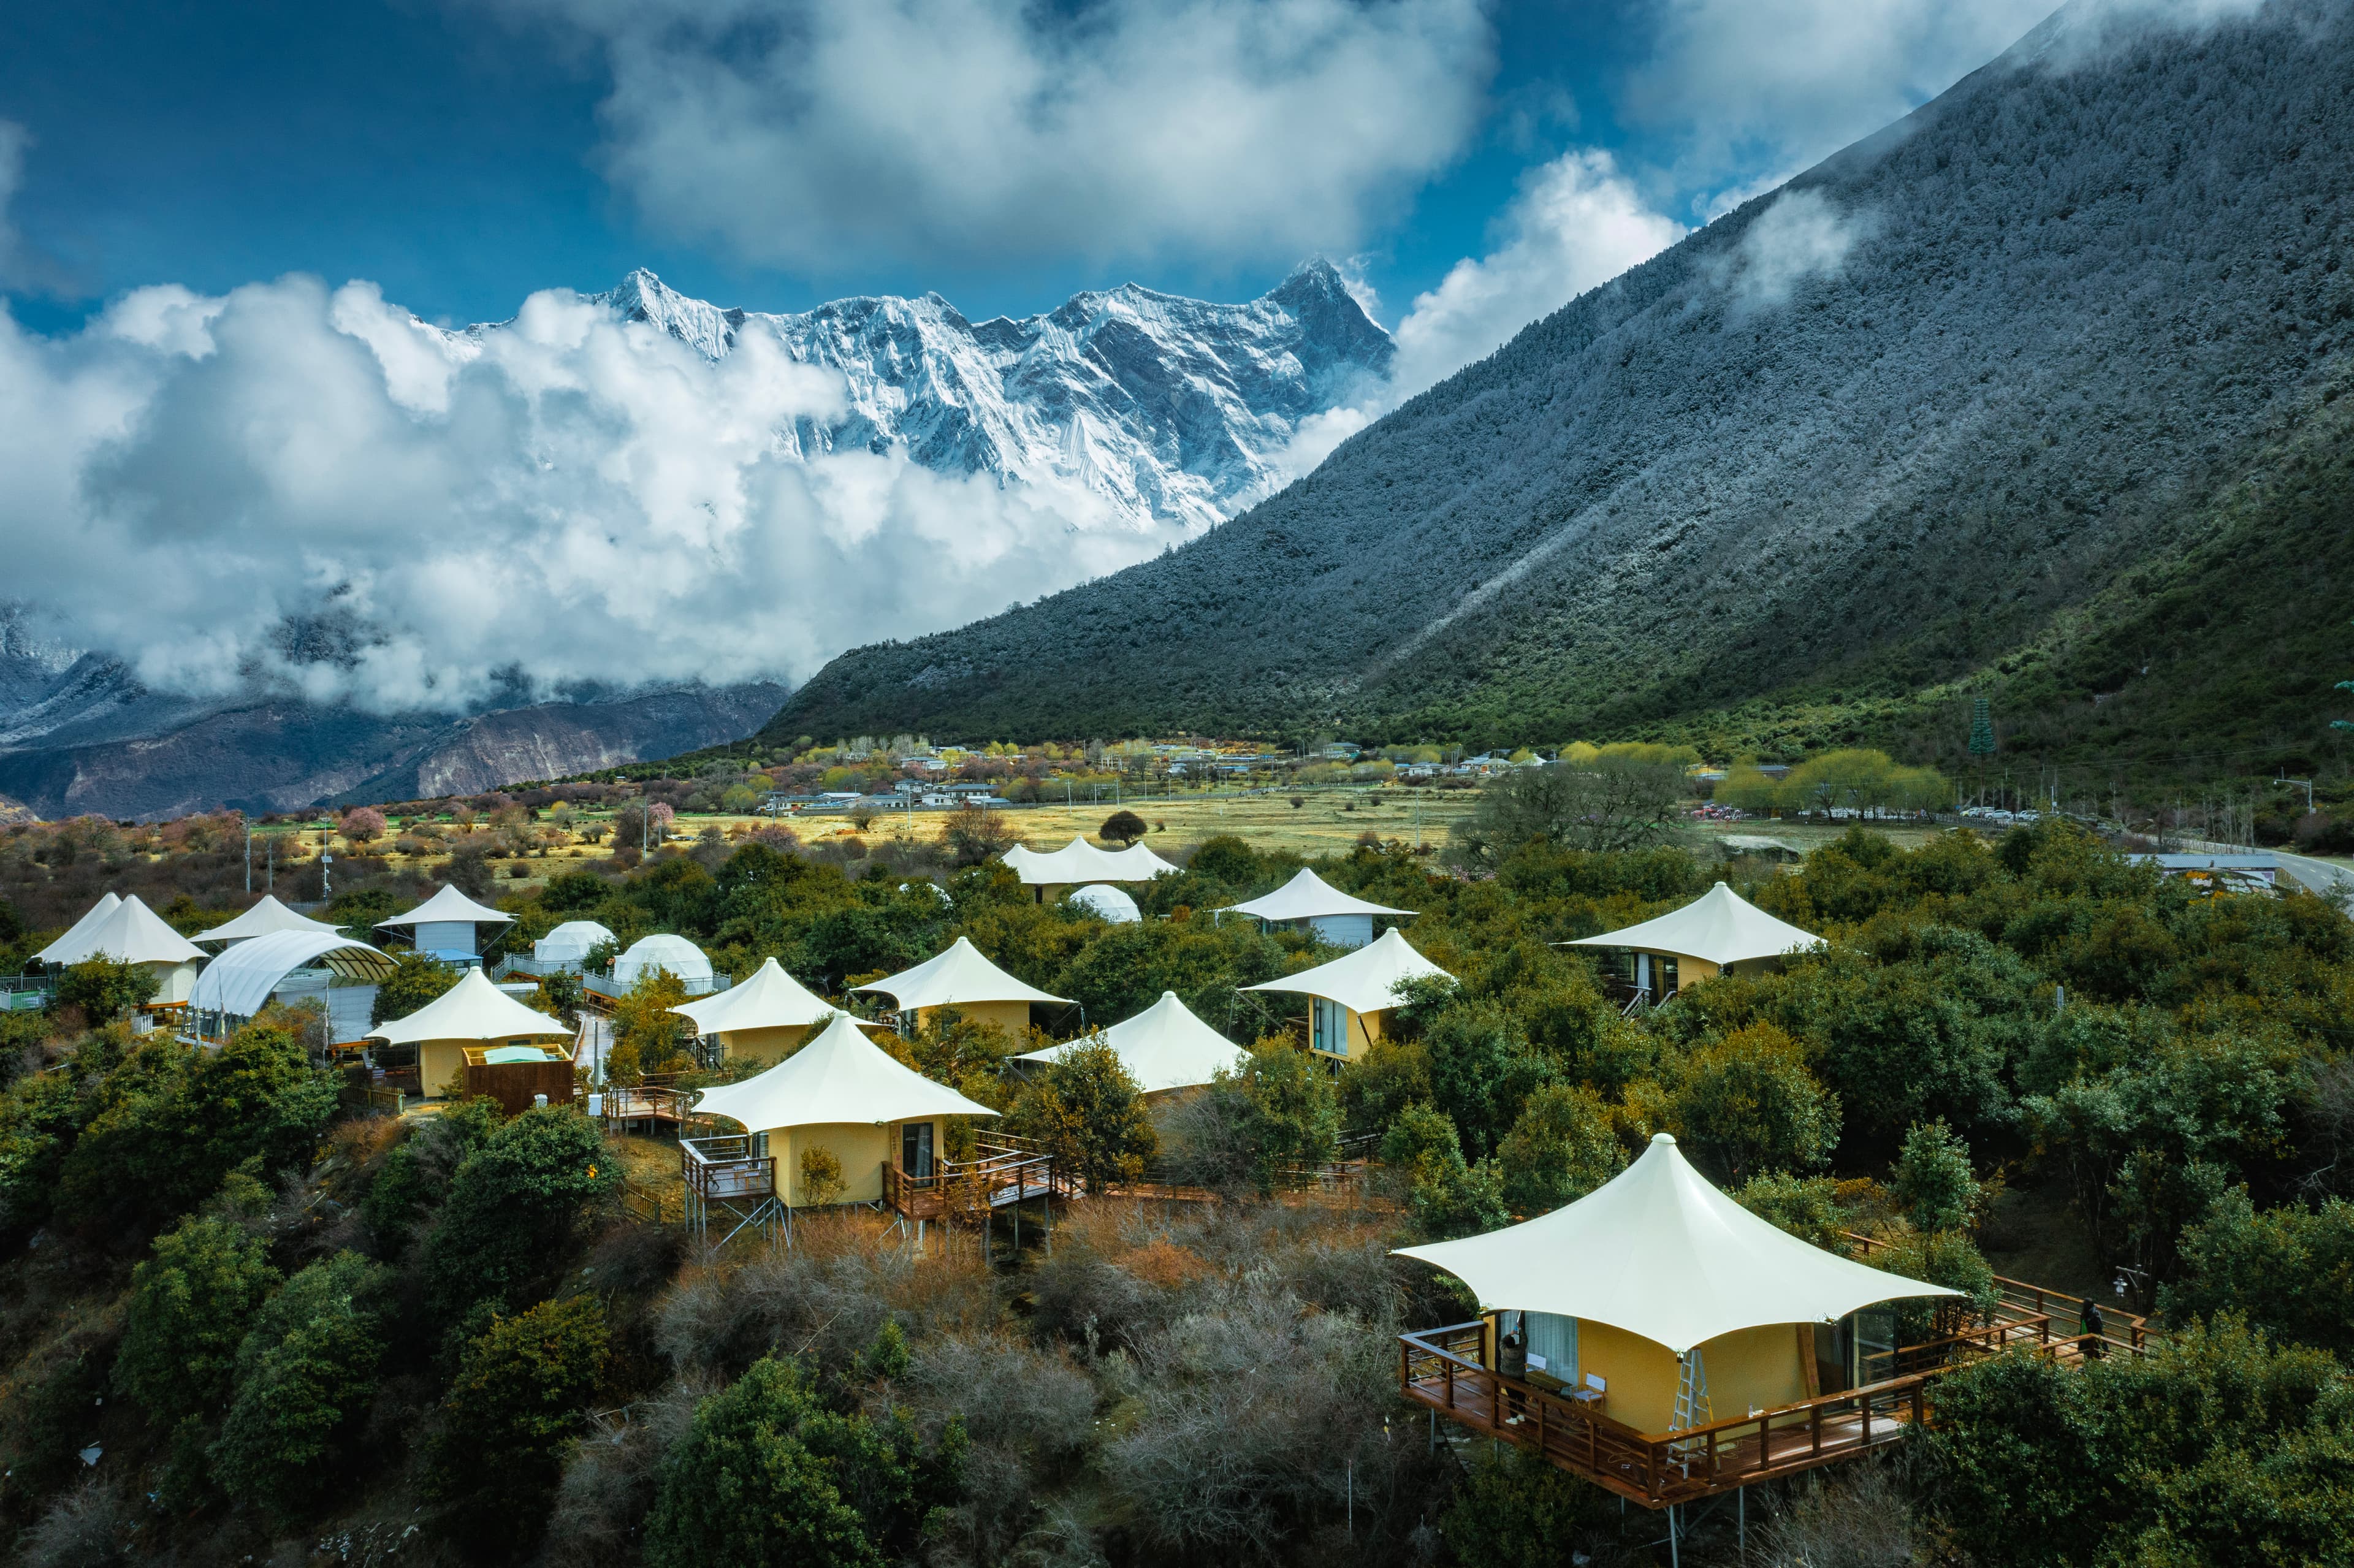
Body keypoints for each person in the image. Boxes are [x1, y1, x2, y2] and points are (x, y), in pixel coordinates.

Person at [2078, 1296, 2106, 1360]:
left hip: (2093, 1336)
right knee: (2086, 1351)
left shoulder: (2095, 1314)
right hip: (2085, 1334)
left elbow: (2099, 1327)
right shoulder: (2085, 1313)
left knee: (2094, 1352)